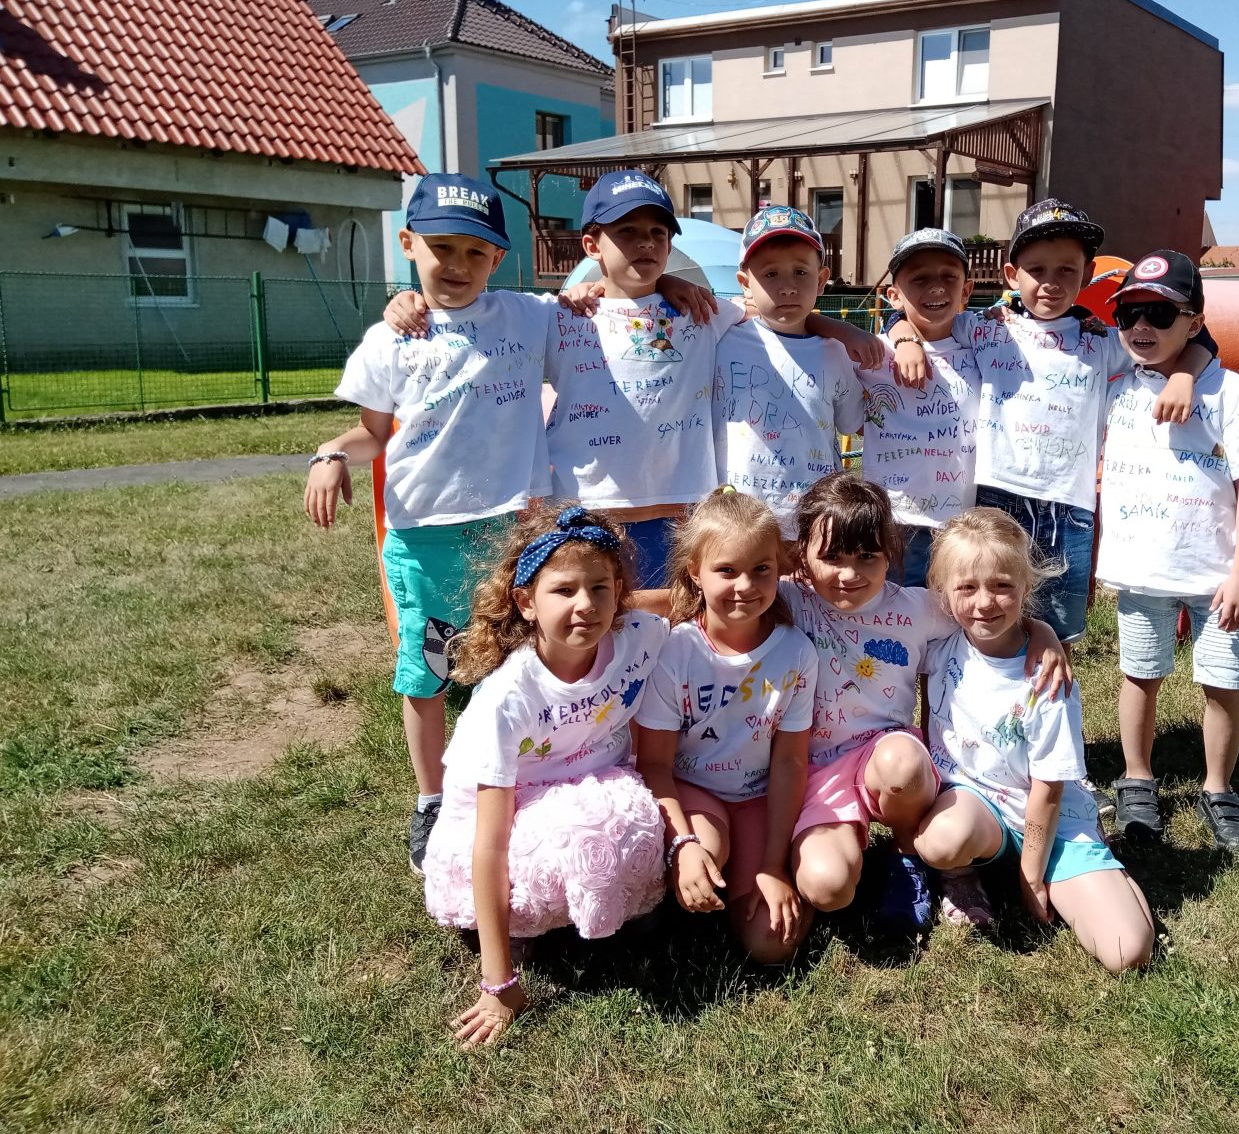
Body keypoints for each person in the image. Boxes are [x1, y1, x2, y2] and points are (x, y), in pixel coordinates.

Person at [385, 172, 882, 591]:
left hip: (680, 512)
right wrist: (412, 301)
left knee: (674, 626)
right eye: (627, 232)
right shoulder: (562, 315)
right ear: (591, 245)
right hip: (587, 509)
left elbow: (781, 315)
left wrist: (844, 330)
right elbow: (477, 320)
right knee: (600, 625)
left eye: (657, 233)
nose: (645, 243)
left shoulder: (703, 312)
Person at [304, 172, 560, 873]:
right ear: (408, 243)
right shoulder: (390, 340)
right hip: (424, 538)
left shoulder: (527, 317)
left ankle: (513, 779)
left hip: (512, 531)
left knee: (512, 662)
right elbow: (372, 435)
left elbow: (598, 294)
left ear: (499, 258)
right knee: (430, 671)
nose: (457, 265)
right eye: (442, 247)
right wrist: (330, 453)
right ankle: (432, 800)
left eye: (476, 252)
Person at [781, 473, 1069, 938]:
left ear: (891, 552)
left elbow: (986, 611)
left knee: (902, 762)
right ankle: (841, 851)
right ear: (802, 556)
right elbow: (709, 600)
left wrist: (1043, 632)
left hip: (887, 758)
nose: (850, 574)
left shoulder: (918, 608)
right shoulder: (789, 600)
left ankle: (909, 856)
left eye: (867, 556)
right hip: (816, 773)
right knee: (827, 888)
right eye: (832, 558)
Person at [422, 505, 669, 1047]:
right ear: (525, 602)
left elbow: (689, 600)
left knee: (632, 810)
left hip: (595, 785)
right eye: (564, 591)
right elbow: (490, 843)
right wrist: (499, 983)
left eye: (600, 588)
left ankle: (620, 907)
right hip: (512, 818)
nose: (586, 605)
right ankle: (525, 929)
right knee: (590, 829)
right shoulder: (507, 699)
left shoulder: (641, 635)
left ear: (619, 592)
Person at [1097, 251, 1239, 854]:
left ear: (1195, 323)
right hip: (1141, 573)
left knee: (1223, 683)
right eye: (1128, 313)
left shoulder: (1233, 394)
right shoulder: (1116, 383)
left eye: (1159, 314)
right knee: (1139, 675)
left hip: (1214, 577)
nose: (1140, 326)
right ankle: (1137, 779)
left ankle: (1219, 789)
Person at [913, 508, 1155, 972]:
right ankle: (962, 874)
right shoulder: (939, 640)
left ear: (1027, 587)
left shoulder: (1047, 678)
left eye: (1002, 585)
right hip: (976, 806)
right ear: (943, 593)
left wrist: (1031, 879)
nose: (984, 602)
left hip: (1051, 818)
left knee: (1128, 952)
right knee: (941, 840)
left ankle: (1093, 867)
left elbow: (1049, 790)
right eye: (967, 587)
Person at [967, 200, 1216, 644]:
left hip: (1069, 507)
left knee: (1059, 629)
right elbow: (916, 320)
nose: (1051, 282)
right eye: (1036, 269)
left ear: (1088, 274)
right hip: (994, 496)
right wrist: (904, 336)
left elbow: (1201, 338)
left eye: (1067, 270)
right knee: (988, 616)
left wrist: (1183, 376)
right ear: (1011, 275)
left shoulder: (1102, 342)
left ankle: (1055, 689)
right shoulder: (985, 330)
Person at [634, 488, 818, 962]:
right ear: (695, 571)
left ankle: (745, 880)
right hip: (691, 793)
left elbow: (790, 761)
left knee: (770, 945)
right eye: (727, 570)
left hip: (757, 797)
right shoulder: (675, 651)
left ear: (780, 568)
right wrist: (684, 843)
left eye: (761, 569)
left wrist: (774, 865)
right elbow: (654, 766)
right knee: (708, 849)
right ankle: (662, 891)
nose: (745, 585)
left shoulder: (797, 652)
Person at [714, 207, 866, 537]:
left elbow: (856, 424)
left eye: (800, 272)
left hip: (816, 524)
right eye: (771, 274)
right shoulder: (720, 341)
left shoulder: (836, 352)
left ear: (821, 280)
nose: (787, 287)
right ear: (745, 284)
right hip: (738, 526)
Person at [856, 228, 983, 587]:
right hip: (897, 520)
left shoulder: (985, 349)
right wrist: (903, 336)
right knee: (897, 609)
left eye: (949, 277)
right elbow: (811, 330)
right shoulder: (875, 353)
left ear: (966, 290)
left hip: (962, 520)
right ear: (893, 295)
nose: (937, 287)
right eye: (920, 278)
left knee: (954, 609)